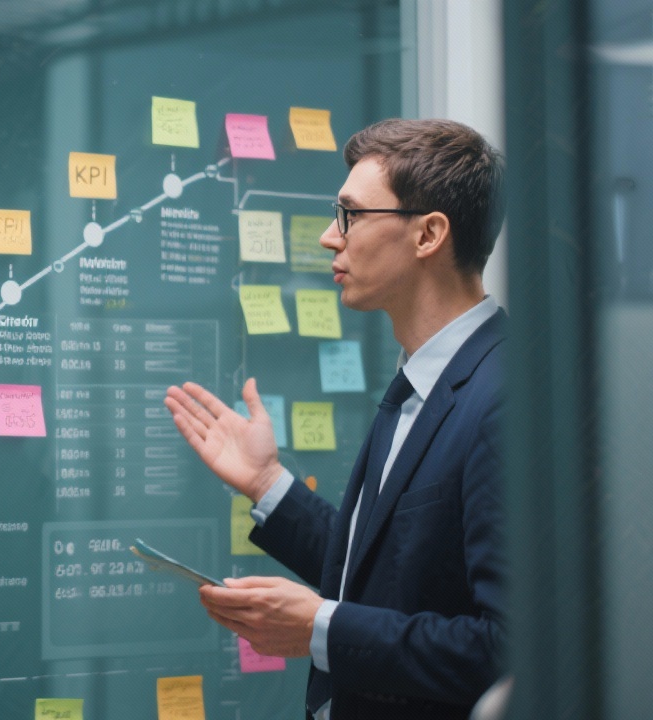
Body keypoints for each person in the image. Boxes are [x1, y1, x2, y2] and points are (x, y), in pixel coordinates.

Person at [165, 118, 507, 719]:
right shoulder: (419, 382)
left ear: (428, 234)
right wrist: (269, 484)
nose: (330, 236)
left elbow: (504, 651)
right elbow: (384, 571)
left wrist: (321, 627)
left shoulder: (504, 397)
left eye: (350, 214)